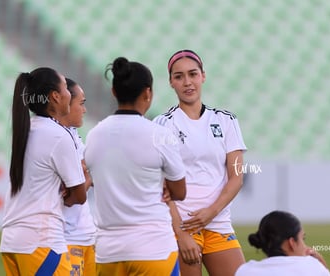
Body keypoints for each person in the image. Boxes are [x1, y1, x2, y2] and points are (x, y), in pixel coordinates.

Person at [84, 57, 186, 276]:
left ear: (113, 91)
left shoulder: (94, 135)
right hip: (153, 248)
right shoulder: (160, 135)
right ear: (147, 93)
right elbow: (179, 192)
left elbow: (94, 180)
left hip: (108, 251)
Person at [153, 49, 247, 275]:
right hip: (182, 226)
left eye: (193, 74)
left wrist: (212, 212)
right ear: (171, 82)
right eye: (179, 76)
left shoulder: (226, 120)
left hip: (218, 222)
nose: (187, 82)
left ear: (203, 76)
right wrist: (181, 233)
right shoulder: (162, 124)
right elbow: (161, 186)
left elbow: (237, 177)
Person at [0, 67, 87, 276]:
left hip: (12, 241)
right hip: (40, 240)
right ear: (55, 97)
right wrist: (69, 191)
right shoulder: (58, 135)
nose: (68, 93)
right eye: (66, 88)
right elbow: (80, 195)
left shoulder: (26, 129)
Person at [59, 78, 97, 275]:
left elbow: (84, 176)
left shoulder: (73, 134)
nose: (84, 110)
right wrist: (88, 174)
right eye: (81, 104)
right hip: (67, 237)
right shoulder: (56, 139)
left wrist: (86, 175)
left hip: (86, 234)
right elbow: (73, 195)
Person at [235, 210, 330, 276]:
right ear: (292, 243)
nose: (305, 246)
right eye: (303, 239)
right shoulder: (312, 267)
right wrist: (320, 262)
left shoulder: (246, 271)